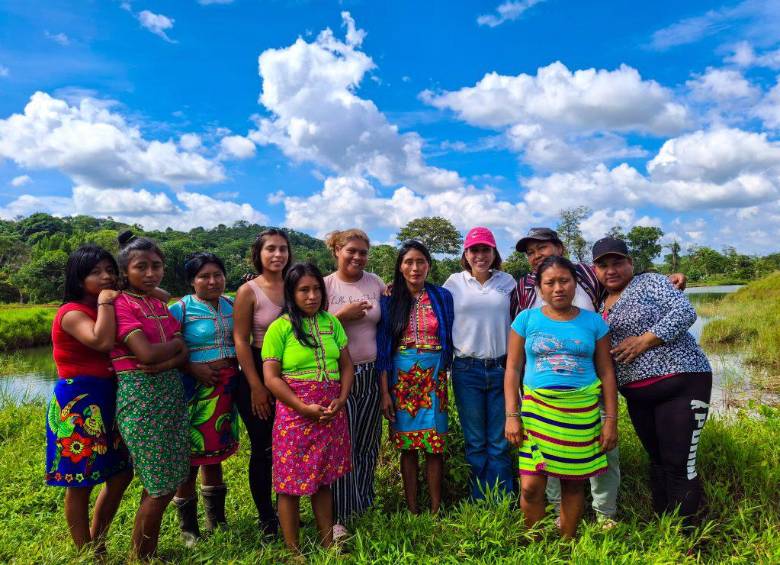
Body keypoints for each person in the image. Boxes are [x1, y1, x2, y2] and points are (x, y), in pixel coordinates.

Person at [511, 227, 686, 525]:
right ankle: (556, 514)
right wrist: (514, 405)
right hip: (541, 392)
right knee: (546, 463)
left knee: (604, 450)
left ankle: (605, 515)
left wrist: (662, 281)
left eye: (542, 247)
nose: (536, 255)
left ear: (561, 248)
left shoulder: (587, 275)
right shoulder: (523, 287)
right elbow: (516, 349)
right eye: (530, 252)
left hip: (589, 382)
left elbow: (619, 275)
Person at [591, 237, 712, 527]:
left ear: (630, 263)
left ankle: (687, 537)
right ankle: (663, 527)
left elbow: (685, 312)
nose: (611, 270)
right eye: (603, 265)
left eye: (617, 262)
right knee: (657, 461)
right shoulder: (599, 303)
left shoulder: (649, 283)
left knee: (680, 464)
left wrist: (644, 341)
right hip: (638, 395)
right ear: (594, 270)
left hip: (681, 381)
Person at [504, 256, 618, 539]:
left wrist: (611, 421)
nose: (558, 288)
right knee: (531, 486)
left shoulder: (593, 323)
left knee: (573, 484)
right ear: (540, 289)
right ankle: (536, 540)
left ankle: (566, 542)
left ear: (575, 284)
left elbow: (606, 372)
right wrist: (512, 415)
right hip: (537, 412)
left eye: (564, 281)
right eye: (550, 282)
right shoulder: (526, 320)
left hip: (581, 413)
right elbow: (513, 369)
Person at [45, 245, 133, 554]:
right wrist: (108, 301)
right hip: (79, 402)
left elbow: (160, 296)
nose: (106, 277)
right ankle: (86, 552)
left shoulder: (104, 304)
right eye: (96, 272)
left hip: (109, 396)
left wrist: (122, 287)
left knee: (121, 473)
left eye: (110, 270)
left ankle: (98, 539)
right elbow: (101, 340)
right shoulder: (71, 312)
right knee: (79, 480)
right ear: (79, 277)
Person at [262, 262, 354, 553]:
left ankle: (328, 543)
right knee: (290, 485)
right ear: (291, 293)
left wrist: (341, 398)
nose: (312, 296)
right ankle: (294, 552)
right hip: (295, 413)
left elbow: (347, 365)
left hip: (330, 410)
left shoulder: (331, 322)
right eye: (304, 290)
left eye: (316, 289)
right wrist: (302, 407)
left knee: (323, 479)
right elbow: (271, 378)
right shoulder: (280, 327)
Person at [110, 231, 190, 560]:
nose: (150, 273)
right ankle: (141, 556)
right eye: (141, 267)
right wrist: (171, 351)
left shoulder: (157, 303)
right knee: (160, 485)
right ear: (124, 272)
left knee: (167, 478)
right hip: (141, 395)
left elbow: (181, 352)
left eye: (156, 266)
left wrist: (168, 358)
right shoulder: (120, 303)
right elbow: (145, 354)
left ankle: (147, 551)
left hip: (169, 391)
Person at [377, 240, 454, 515]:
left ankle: (435, 508)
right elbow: (383, 347)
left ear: (429, 266)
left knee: (435, 445)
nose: (415, 267)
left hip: (434, 378)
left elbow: (449, 334)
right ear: (400, 266)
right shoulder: (388, 299)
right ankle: (412, 508)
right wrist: (385, 392)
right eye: (409, 262)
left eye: (421, 261)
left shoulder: (442, 296)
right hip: (401, 378)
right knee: (407, 446)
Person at [169, 253, 240, 545]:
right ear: (192, 281)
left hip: (226, 388)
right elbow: (167, 348)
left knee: (215, 453)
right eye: (204, 276)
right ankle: (188, 528)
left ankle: (216, 521)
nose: (212, 281)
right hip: (193, 390)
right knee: (190, 456)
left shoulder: (232, 305)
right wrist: (191, 367)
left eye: (217, 275)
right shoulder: (181, 309)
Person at [443, 227, 515, 500]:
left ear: (494, 252)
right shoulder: (454, 283)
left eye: (486, 249)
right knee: (475, 442)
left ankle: (502, 498)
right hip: (466, 369)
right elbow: (431, 304)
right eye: (474, 250)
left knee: (498, 441)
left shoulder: (507, 282)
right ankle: (479, 497)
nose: (480, 255)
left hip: (501, 367)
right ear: (466, 254)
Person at [324, 229, 386, 540]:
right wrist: (341, 315)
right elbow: (313, 328)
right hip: (338, 378)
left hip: (372, 373)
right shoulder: (325, 286)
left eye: (363, 252)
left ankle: (363, 502)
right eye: (351, 251)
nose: (358, 257)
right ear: (336, 250)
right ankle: (340, 516)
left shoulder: (374, 282)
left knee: (367, 442)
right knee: (342, 445)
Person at [233, 228, 291, 536]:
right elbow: (241, 339)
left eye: (282, 248)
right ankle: (267, 517)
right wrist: (256, 385)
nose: (277, 254)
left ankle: (287, 508)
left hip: (290, 373)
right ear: (259, 254)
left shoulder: (293, 285)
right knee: (263, 447)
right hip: (256, 370)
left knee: (287, 445)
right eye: (271, 249)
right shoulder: (249, 291)